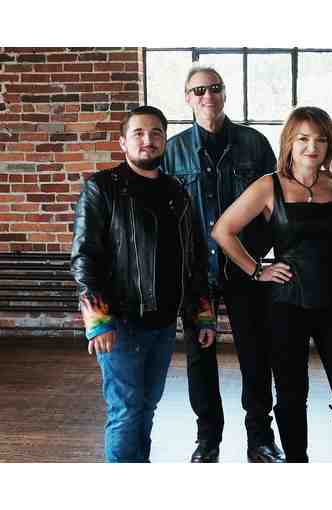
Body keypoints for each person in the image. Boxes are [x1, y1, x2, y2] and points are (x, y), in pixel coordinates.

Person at [211, 106, 332, 462]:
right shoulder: (269, 186)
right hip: (286, 304)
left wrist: (331, 242)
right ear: (289, 143)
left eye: (321, 140)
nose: (312, 147)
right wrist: (257, 271)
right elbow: (223, 230)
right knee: (291, 394)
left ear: (329, 145)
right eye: (303, 139)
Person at [71, 105, 216, 462]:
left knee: (147, 407)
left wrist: (203, 315)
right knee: (125, 411)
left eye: (156, 133)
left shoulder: (177, 191)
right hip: (120, 323)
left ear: (165, 141)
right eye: (138, 133)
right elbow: (84, 257)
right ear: (123, 142)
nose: (147, 140)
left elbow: (195, 258)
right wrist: (97, 319)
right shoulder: (102, 188)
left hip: (163, 324)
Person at [163, 66, 283, 462]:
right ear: (188, 97)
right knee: (200, 357)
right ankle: (207, 439)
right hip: (197, 276)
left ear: (225, 93)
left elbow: (275, 208)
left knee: (255, 354)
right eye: (199, 90)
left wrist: (260, 256)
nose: (207, 96)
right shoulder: (173, 151)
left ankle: (260, 438)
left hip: (245, 269)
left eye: (214, 88)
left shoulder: (254, 144)